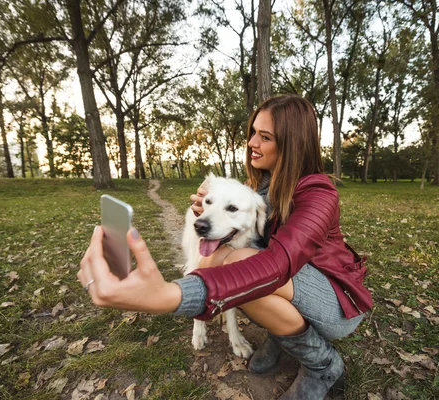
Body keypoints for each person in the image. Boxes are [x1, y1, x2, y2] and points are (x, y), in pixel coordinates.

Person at [78, 94, 373, 399]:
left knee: (238, 261)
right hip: (288, 283)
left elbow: (278, 264)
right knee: (230, 258)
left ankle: (323, 365)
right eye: (252, 133)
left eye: (265, 137)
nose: (252, 143)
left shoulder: (319, 194)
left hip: (335, 301)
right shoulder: (261, 186)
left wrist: (172, 295)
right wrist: (211, 218)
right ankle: (283, 334)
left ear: (292, 143)